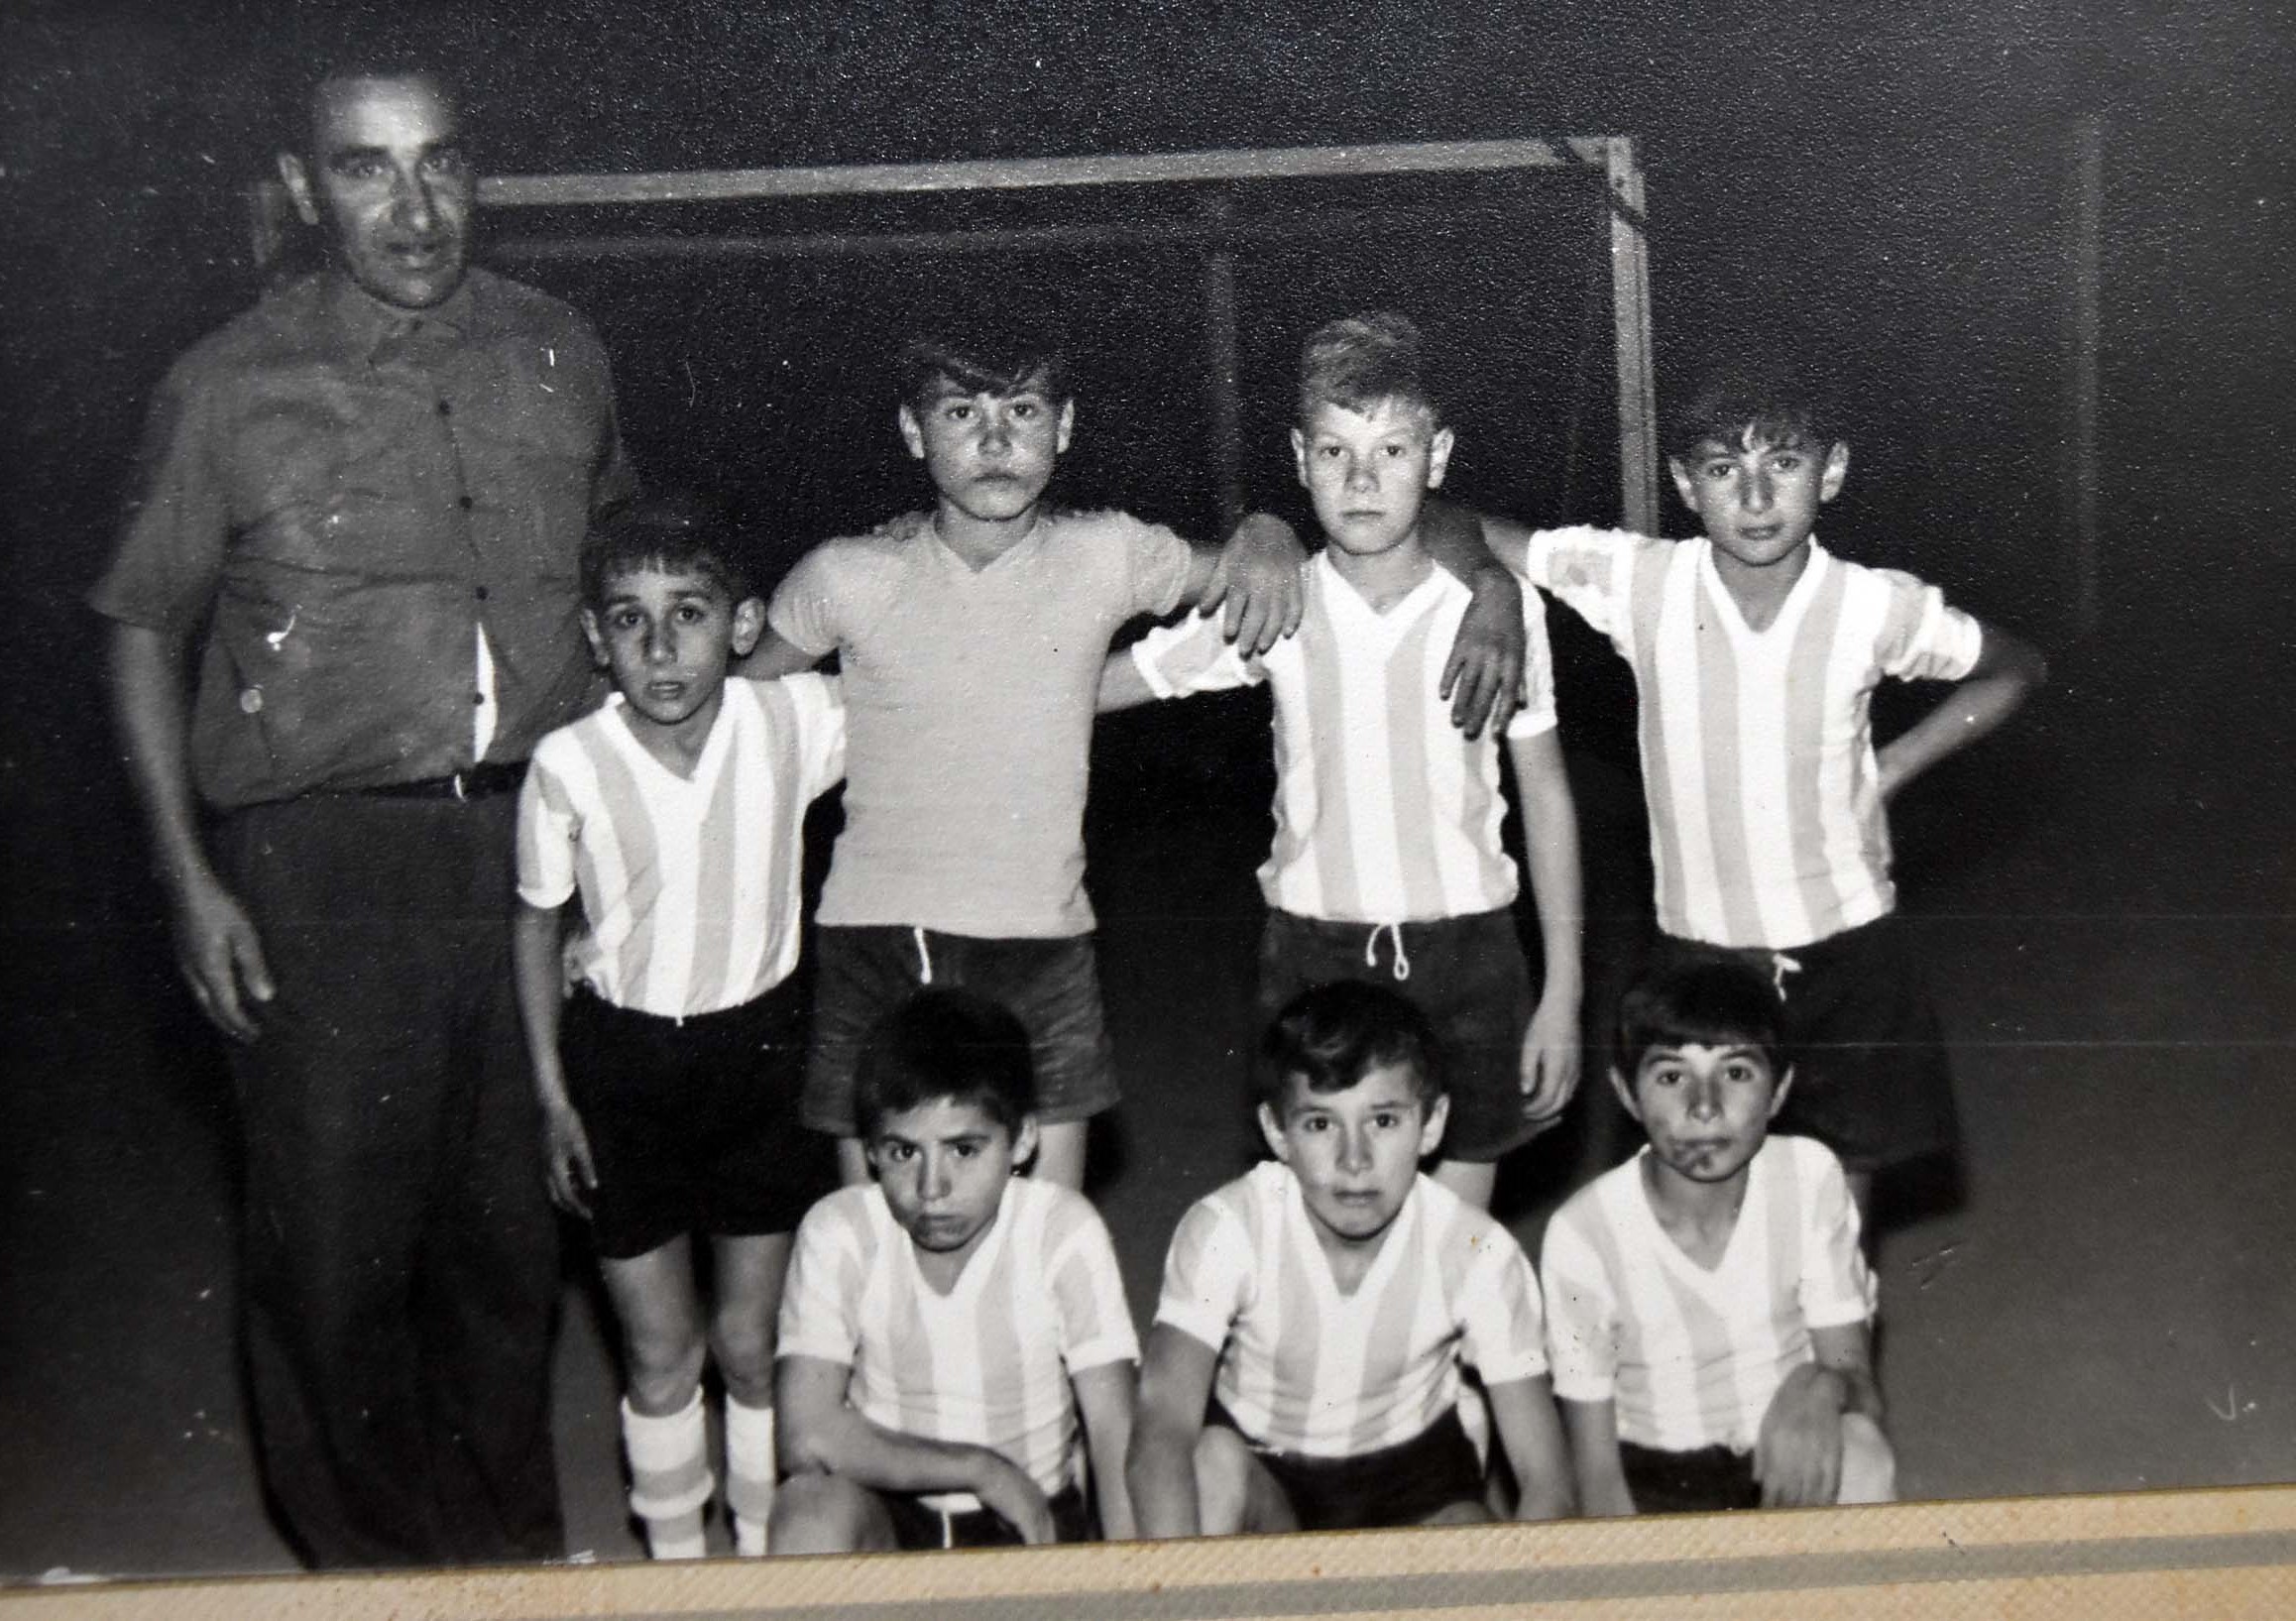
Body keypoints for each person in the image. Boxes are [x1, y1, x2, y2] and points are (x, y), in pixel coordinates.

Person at [89, 65, 634, 1566]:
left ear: (478, 175)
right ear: (302, 186)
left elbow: (627, 572)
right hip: (324, 864)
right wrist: (188, 882)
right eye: (366, 168)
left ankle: (510, 1565)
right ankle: (373, 1580)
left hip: (530, 845)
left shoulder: (558, 347)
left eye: (440, 164)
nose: (414, 207)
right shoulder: (226, 385)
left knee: (512, 1235)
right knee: (334, 1255)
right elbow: (139, 625)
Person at [746, 322, 1527, 1192]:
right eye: (962, 412)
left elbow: (1323, 556)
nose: (995, 441)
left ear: (1064, 426)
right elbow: (733, 728)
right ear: (911, 429)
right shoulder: (844, 575)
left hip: (1042, 939)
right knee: (872, 1237)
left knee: (1051, 1234)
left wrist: (1272, 527)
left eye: (1022, 410)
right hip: (873, 934)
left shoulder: (1109, 553)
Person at [1465, 358, 2047, 1220]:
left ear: (1831, 471)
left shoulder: (1872, 606)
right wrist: (1488, 591)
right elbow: (1461, 523)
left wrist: (1893, 767)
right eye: (1722, 468)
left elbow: (2016, 667)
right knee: (1705, 1214)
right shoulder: (1641, 581)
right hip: (1698, 960)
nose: (1756, 495)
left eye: (1783, 462)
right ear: (1684, 484)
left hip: (1844, 952)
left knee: (1832, 1225)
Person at [1101, 311, 1582, 1210]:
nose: (1362, 480)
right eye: (1335, 453)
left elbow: (1547, 794)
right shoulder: (1277, 601)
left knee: (1453, 1238)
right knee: (1320, 1230)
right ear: (1298, 456)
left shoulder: (1498, 612)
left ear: (1438, 456)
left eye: (1392, 451)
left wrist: (1565, 987)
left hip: (1470, 946)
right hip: (1313, 949)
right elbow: (1118, 681)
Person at [513, 501, 844, 1560]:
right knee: (663, 1354)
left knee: (751, 1344)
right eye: (629, 618)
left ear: (743, 624)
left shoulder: (794, 720)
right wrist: (553, 1096)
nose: (659, 647)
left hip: (762, 1058)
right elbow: (536, 925)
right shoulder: (567, 763)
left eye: (688, 613)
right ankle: (676, 1569)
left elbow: (920, 659)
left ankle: (759, 1555)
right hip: (622, 1070)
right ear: (594, 634)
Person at [1126, 981, 1574, 1536]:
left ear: (1431, 1124)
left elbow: (1548, 1481)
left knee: (1468, 1536)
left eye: (1383, 1121)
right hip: (1269, 1468)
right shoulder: (1229, 1228)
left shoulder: (1477, 1252)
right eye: (1320, 1124)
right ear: (1277, 1133)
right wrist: (1170, 1579)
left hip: (1418, 1482)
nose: (1354, 1160)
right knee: (1211, 1467)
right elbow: (1160, 1432)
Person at [769, 988, 1141, 1552]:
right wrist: (981, 1471)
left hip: (1030, 1520)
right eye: (904, 1152)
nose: (931, 1188)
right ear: (869, 1150)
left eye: (963, 1150)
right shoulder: (839, 1230)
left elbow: (1115, 1432)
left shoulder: (1062, 1231)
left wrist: (1130, 1582)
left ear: (1023, 1139)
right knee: (808, 1512)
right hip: (892, 1512)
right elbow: (805, 1436)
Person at [1541, 958, 1895, 1513]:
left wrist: (1823, 1386)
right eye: (1671, 1076)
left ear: (1779, 1092)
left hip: (1785, 1452)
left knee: (1862, 1453)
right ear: (1626, 1094)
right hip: (1655, 1483)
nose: (1704, 1107)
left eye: (1735, 1074)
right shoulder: (1584, 1234)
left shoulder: (1809, 1177)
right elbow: (1596, 1475)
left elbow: (1861, 1390)